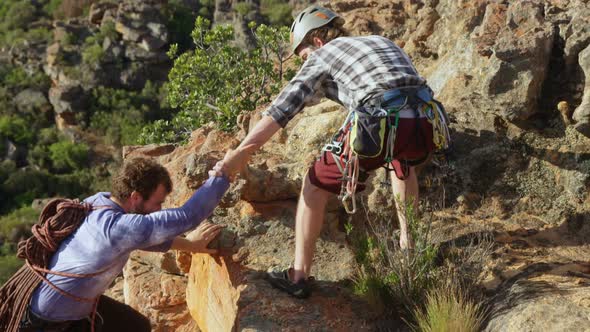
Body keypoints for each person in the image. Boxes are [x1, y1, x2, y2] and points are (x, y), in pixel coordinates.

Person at [227, 5, 450, 298]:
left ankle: (298, 276)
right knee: (402, 163)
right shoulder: (380, 41)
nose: (305, 62)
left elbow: (282, 109)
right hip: (424, 123)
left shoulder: (323, 53)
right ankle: (410, 247)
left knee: (314, 184)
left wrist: (242, 152)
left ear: (316, 41)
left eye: (303, 56)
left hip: (379, 120)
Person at [19, 153, 244, 331]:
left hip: (52, 301)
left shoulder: (98, 202)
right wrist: (224, 174)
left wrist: (192, 246)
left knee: (135, 326)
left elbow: (146, 241)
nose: (160, 209)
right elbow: (188, 216)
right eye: (157, 202)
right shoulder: (119, 228)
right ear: (135, 197)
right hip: (49, 321)